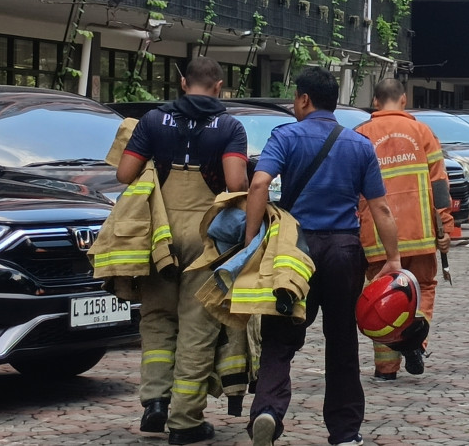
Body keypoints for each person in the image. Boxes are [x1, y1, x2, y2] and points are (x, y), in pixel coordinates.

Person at [243, 67, 403, 446]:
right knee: (343, 341)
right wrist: (393, 260)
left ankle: (267, 409)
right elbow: (380, 209)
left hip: (294, 252)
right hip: (344, 252)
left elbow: (259, 183)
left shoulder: (285, 136)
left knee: (280, 336)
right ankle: (345, 432)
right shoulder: (359, 145)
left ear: (303, 99)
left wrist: (250, 242)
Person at [116, 57, 249, 445]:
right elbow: (235, 182)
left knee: (157, 316)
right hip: (207, 234)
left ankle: (154, 403)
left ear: (181, 83)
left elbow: (125, 174)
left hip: (158, 231)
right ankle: (185, 420)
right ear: (219, 87)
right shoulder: (229, 126)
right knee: (198, 323)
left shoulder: (154, 121)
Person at [356, 78, 454, 381]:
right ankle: (415, 340)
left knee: (381, 295)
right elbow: (439, 185)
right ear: (404, 99)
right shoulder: (422, 132)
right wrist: (445, 226)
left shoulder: (360, 134)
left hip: (377, 235)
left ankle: (386, 368)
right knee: (423, 287)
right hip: (421, 231)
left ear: (375, 102)